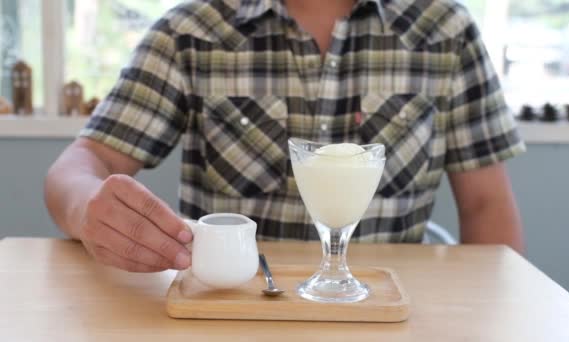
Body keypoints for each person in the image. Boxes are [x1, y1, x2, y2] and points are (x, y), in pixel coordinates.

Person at [45, 0, 526, 273]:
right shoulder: (190, 32)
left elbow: (486, 205)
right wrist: (87, 208)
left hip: (389, 313)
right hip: (231, 313)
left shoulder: (446, 31)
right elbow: (85, 162)